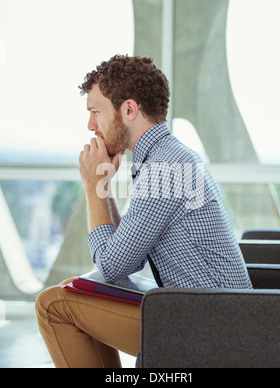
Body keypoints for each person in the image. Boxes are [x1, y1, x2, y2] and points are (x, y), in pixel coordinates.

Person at [35, 54, 252, 368]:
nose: (91, 125)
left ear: (129, 109)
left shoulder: (165, 169)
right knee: (85, 296)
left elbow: (111, 267)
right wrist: (104, 185)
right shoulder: (168, 158)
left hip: (211, 329)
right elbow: (127, 258)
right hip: (209, 315)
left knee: (52, 304)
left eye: (96, 112)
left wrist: (92, 185)